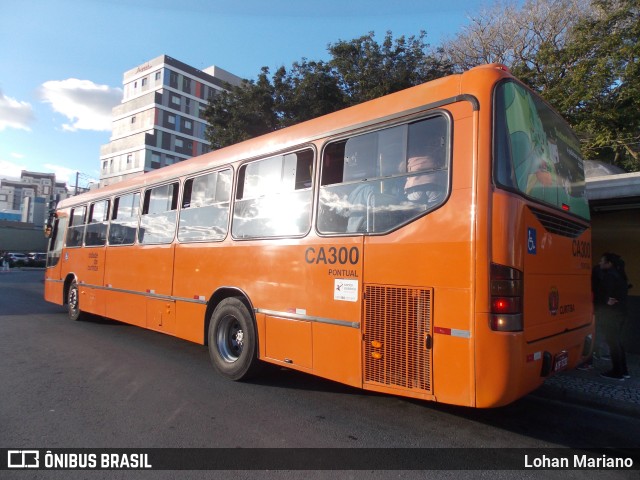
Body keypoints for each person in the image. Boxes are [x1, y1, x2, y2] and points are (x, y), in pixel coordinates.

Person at [595, 253, 630, 380]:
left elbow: (603, 293)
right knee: (617, 342)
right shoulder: (621, 276)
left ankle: (617, 372)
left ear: (609, 263)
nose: (600, 263)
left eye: (602, 261)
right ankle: (624, 370)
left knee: (613, 343)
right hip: (621, 313)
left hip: (611, 314)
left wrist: (604, 301)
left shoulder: (610, 276)